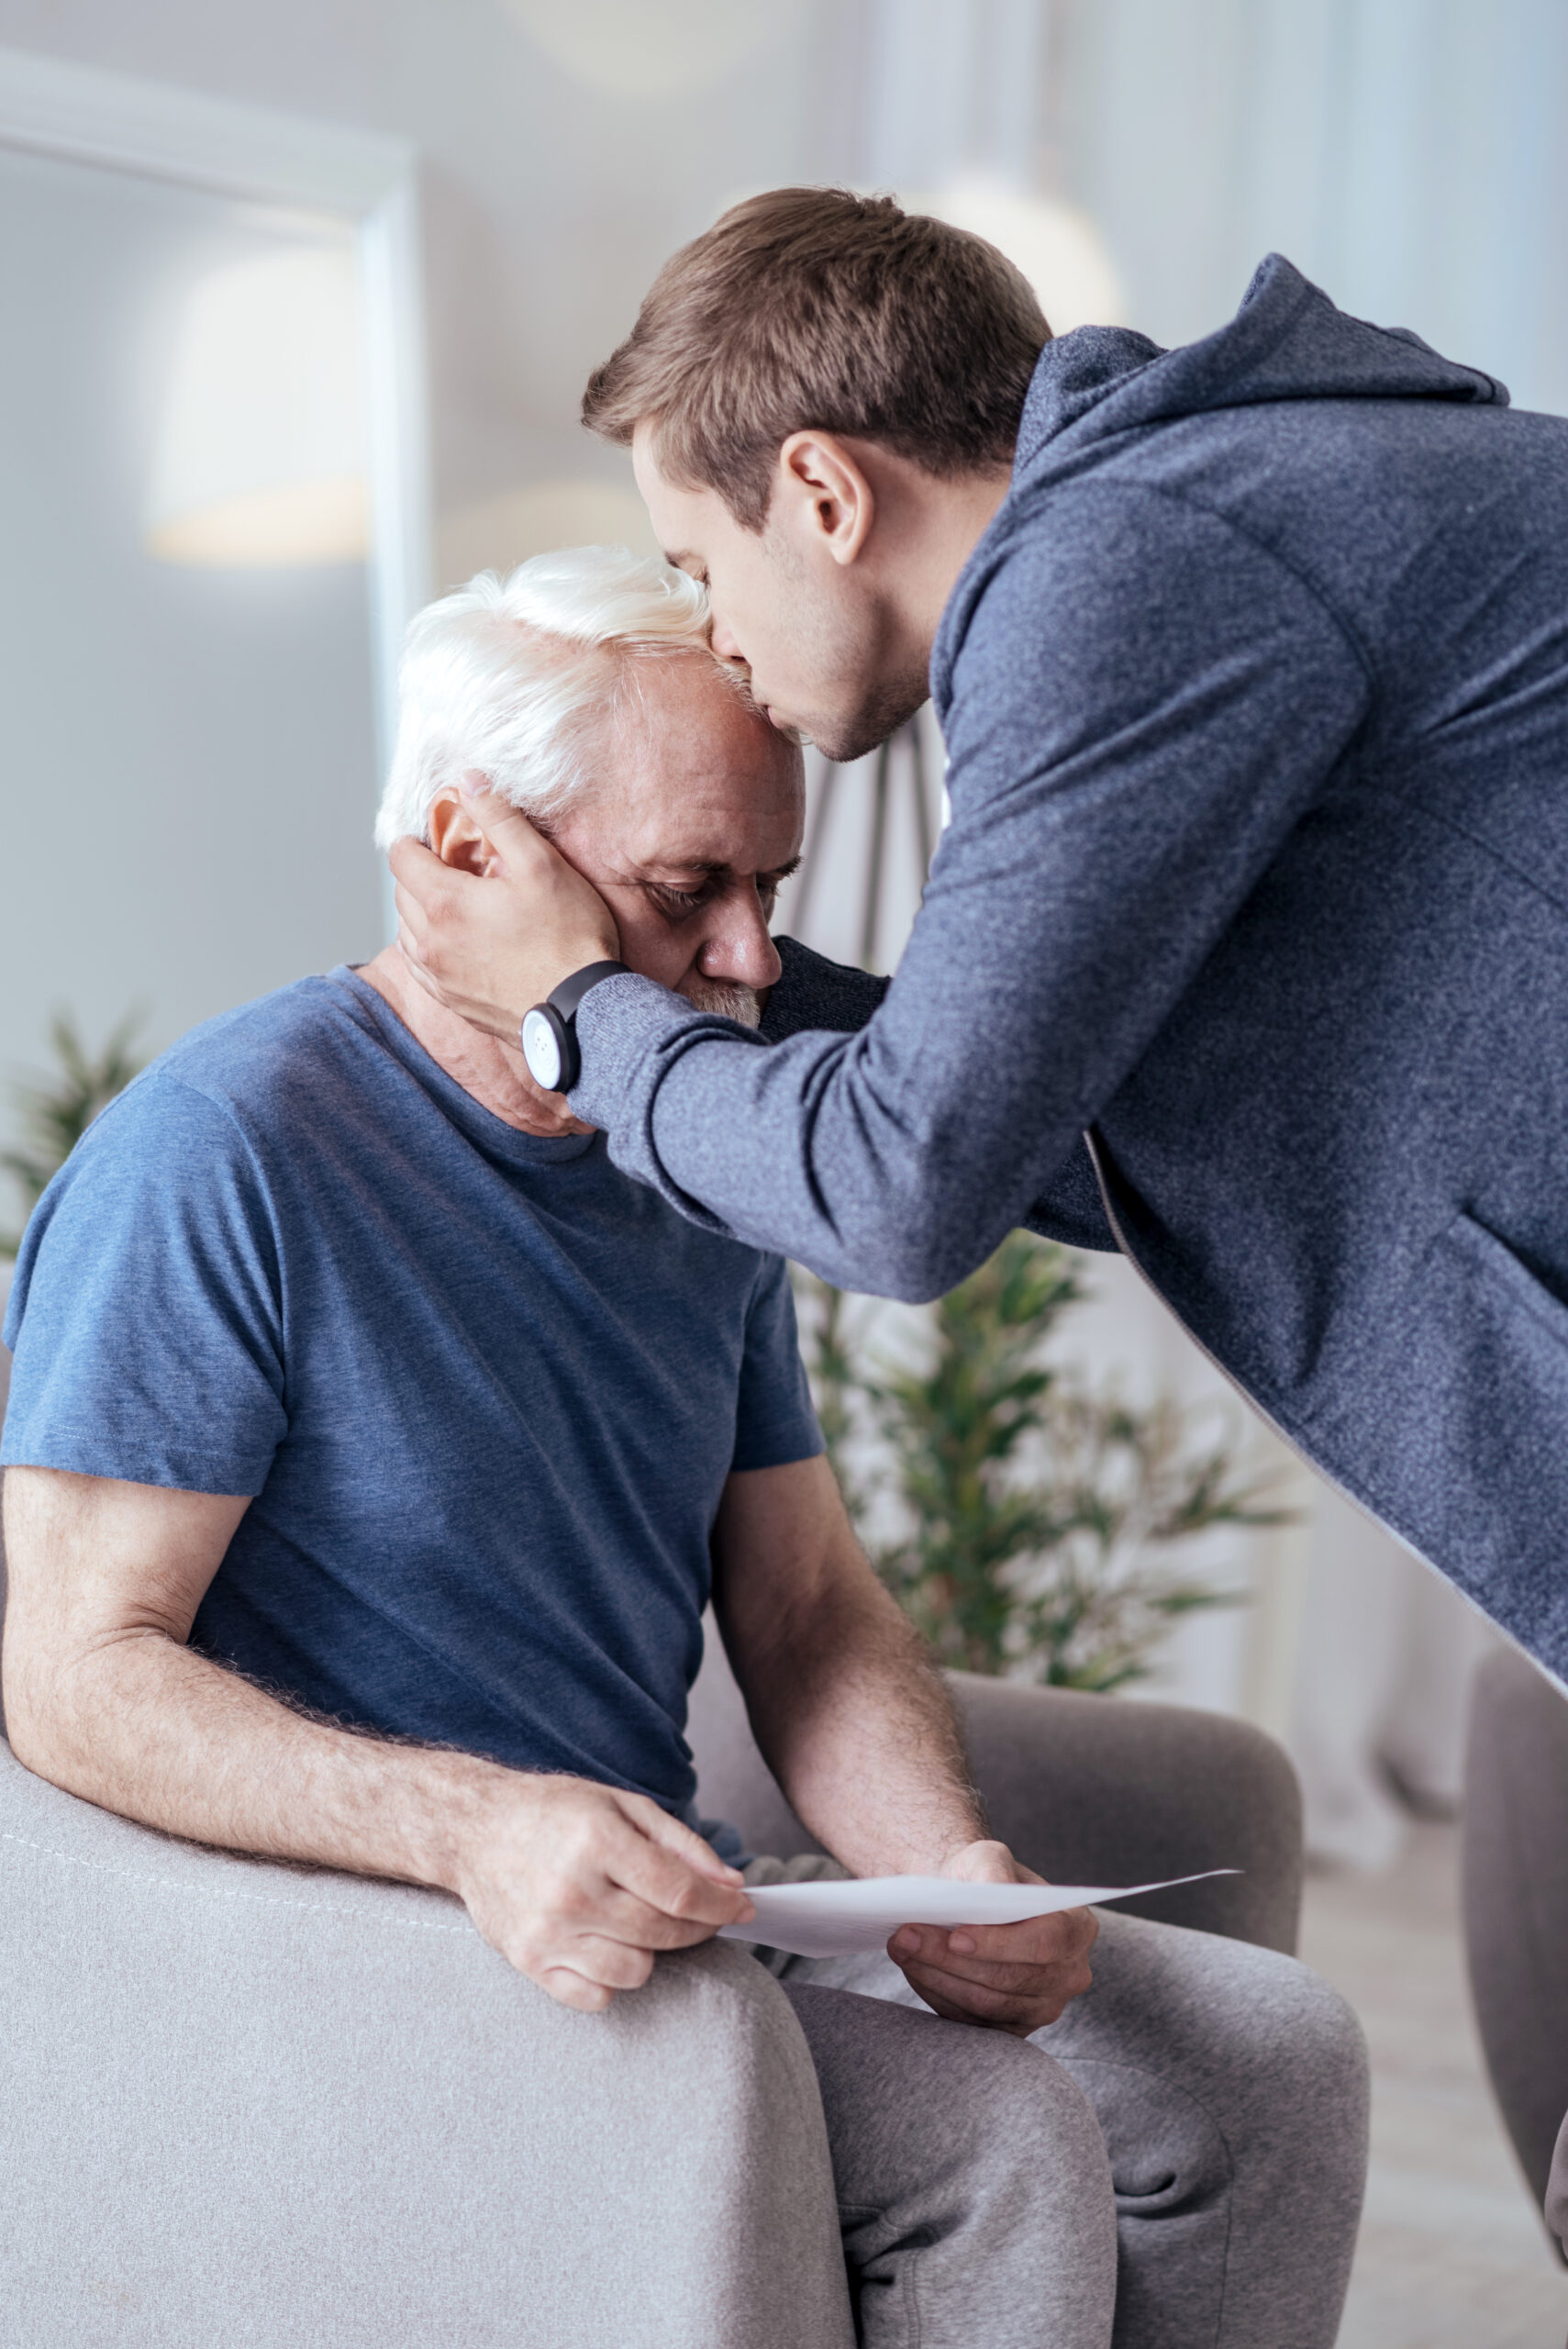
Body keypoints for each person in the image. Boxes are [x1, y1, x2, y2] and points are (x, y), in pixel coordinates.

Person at [1, 548, 1365, 2348]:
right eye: (683, 889)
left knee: (1276, 2059)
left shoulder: (683, 1130)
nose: (744, 961)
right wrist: (474, 1825)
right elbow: (71, 1672)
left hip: (648, 1906)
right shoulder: (223, 1152)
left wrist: (943, 1857)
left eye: (767, 886)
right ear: (466, 847)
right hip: (366, 1939)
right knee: (1002, 2141)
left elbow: (795, 1599)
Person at [389, 186, 1568, 1694]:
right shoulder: (1222, 505)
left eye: (697, 567)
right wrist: (696, 969)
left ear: (822, 495)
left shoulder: (1121, 568)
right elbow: (1149, 1128)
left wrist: (577, 1006)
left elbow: (904, 1192)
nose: (720, 644)